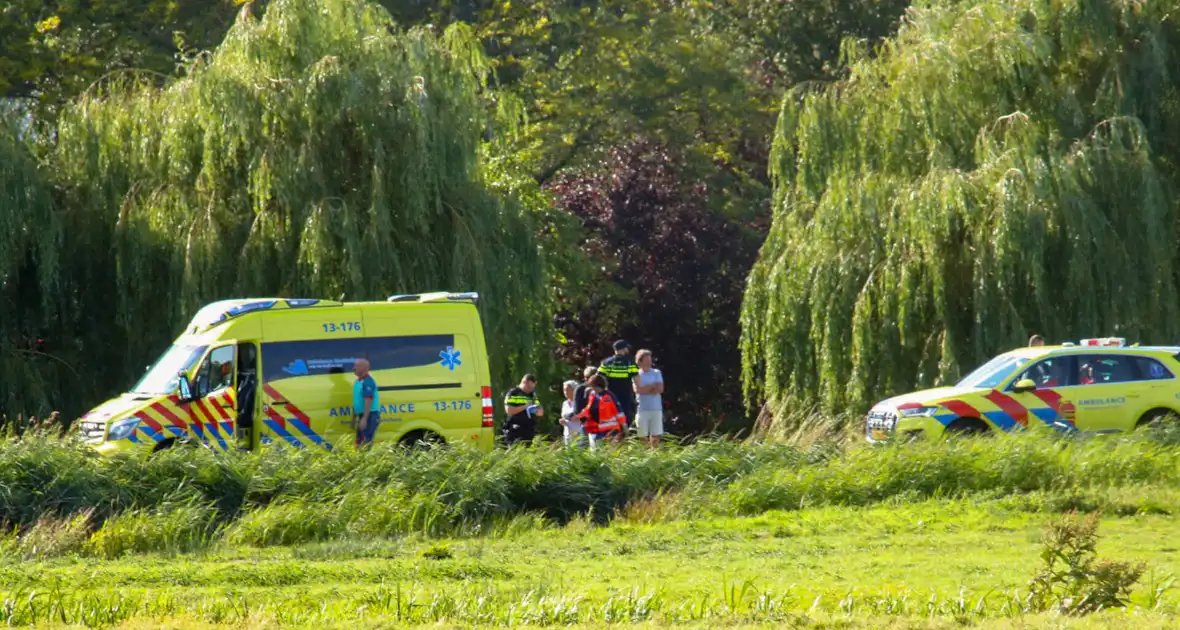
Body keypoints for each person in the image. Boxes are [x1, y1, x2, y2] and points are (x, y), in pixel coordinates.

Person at [576, 374, 626, 449]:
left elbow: (619, 412)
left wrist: (623, 425)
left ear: (597, 385)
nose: (591, 388)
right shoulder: (592, 395)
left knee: (609, 450)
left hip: (610, 429)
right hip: (597, 429)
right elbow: (589, 409)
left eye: (592, 386)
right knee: (596, 450)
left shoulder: (609, 396)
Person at [599, 340, 639, 429]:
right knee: (625, 420)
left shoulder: (607, 363)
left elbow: (598, 378)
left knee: (612, 422)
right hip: (626, 397)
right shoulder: (630, 363)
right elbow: (637, 381)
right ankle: (624, 440)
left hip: (611, 397)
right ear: (623, 349)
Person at [633, 349, 664, 448]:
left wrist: (645, 388)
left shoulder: (656, 372)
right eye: (647, 360)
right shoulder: (636, 374)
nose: (649, 362)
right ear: (640, 361)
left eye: (650, 360)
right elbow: (638, 390)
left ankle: (654, 455)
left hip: (656, 408)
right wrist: (652, 387)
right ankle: (645, 454)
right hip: (642, 409)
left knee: (656, 434)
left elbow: (660, 388)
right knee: (642, 434)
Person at [503, 374, 542, 445]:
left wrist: (538, 411)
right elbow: (509, 410)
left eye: (532, 388)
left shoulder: (532, 395)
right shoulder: (513, 393)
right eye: (529, 387)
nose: (530, 389)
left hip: (529, 430)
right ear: (524, 382)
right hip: (515, 429)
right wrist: (525, 406)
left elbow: (540, 410)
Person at [352, 358, 380, 448]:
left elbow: (368, 400)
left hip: (370, 415)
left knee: (365, 442)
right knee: (359, 442)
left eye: (357, 366)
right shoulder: (358, 382)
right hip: (363, 415)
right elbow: (356, 401)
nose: (354, 368)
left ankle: (366, 459)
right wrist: (354, 418)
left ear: (365, 368)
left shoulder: (368, 382)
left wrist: (364, 418)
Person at [560, 380, 585, 447]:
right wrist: (563, 421)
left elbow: (580, 416)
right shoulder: (565, 403)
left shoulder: (580, 403)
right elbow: (564, 416)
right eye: (564, 390)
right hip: (568, 435)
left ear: (575, 390)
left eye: (567, 390)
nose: (565, 392)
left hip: (579, 434)